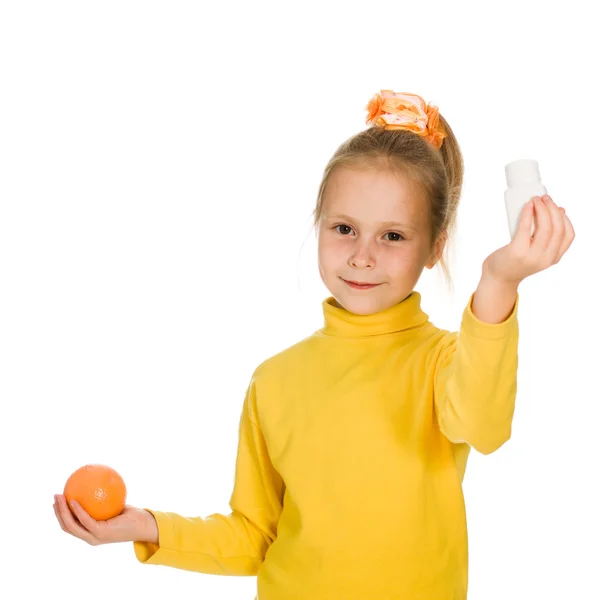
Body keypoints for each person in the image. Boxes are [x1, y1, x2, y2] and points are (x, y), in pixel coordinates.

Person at [53, 90, 575, 599]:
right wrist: (145, 525)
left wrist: (499, 282)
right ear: (319, 227)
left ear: (435, 247)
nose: (363, 256)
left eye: (393, 236)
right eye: (345, 228)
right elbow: (255, 537)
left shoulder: (448, 362)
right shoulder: (275, 380)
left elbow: (482, 427)